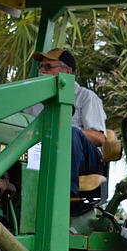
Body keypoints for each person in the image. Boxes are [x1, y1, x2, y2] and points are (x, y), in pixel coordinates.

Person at [25, 47, 107, 196]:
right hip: (46, 153)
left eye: (48, 66)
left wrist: (62, 129)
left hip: (86, 160)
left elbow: (100, 138)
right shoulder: (34, 102)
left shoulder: (86, 97)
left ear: (68, 72)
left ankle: (65, 194)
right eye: (41, 66)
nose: (42, 71)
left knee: (70, 132)